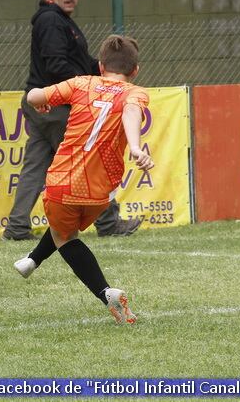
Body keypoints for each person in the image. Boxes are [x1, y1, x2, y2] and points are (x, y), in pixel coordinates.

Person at [13, 35, 153, 324]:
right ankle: (32, 260)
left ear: (100, 65)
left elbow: (33, 96)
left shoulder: (81, 83)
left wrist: (42, 101)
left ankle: (105, 293)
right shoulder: (135, 93)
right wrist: (136, 147)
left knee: (65, 236)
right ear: (135, 70)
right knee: (66, 226)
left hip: (64, 181)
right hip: (101, 191)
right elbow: (131, 112)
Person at [4, 0, 140, 244]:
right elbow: (56, 65)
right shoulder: (52, 21)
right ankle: (109, 221)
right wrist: (88, 84)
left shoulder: (60, 21)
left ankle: (17, 227)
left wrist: (105, 71)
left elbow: (79, 62)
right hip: (51, 104)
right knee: (90, 156)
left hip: (42, 99)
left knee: (35, 165)